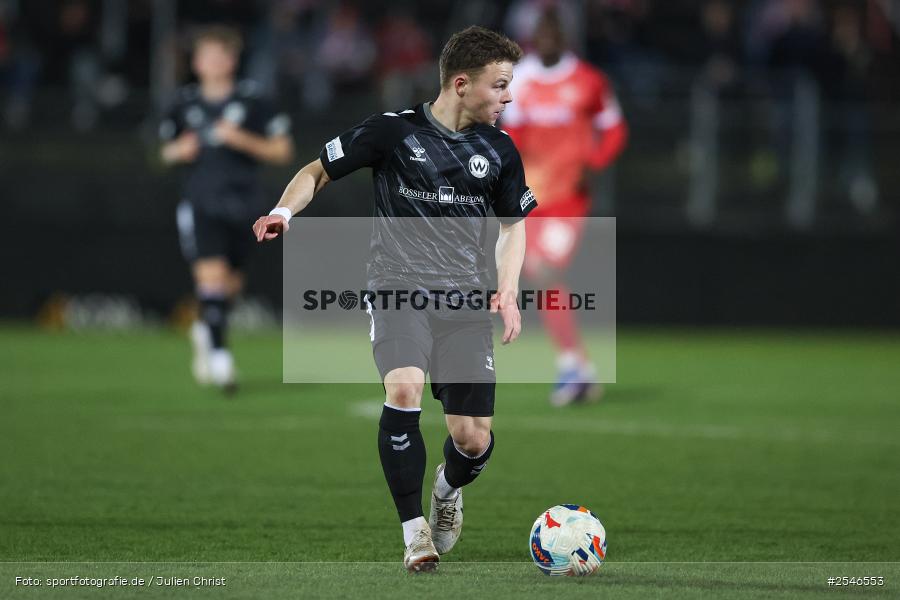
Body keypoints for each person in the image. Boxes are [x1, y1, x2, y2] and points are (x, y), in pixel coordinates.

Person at [252, 26, 533, 572]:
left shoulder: (498, 149)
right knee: (404, 387)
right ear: (461, 83)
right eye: (499, 85)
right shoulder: (392, 132)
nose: (508, 96)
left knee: (473, 439)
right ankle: (415, 534)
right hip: (396, 288)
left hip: (465, 304)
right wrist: (284, 212)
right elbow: (317, 170)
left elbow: (513, 227)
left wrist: (508, 290)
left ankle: (447, 491)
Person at [501, 7, 627, 406]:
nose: (548, 39)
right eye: (542, 32)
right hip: (534, 197)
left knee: (543, 270)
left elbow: (614, 128)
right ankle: (579, 367)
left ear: (565, 37)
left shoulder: (589, 81)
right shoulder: (521, 80)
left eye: (554, 32)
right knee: (542, 279)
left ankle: (573, 368)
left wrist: (595, 162)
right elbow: (513, 133)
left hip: (569, 200)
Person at [159, 25, 294, 391]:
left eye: (223, 55)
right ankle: (221, 360)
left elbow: (282, 150)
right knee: (212, 279)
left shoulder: (254, 101)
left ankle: (207, 329)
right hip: (201, 204)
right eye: (208, 55)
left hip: (246, 206)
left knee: (230, 286)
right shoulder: (183, 103)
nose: (215, 62)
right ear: (197, 62)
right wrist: (178, 151)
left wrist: (241, 139)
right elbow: (163, 151)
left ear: (233, 60)